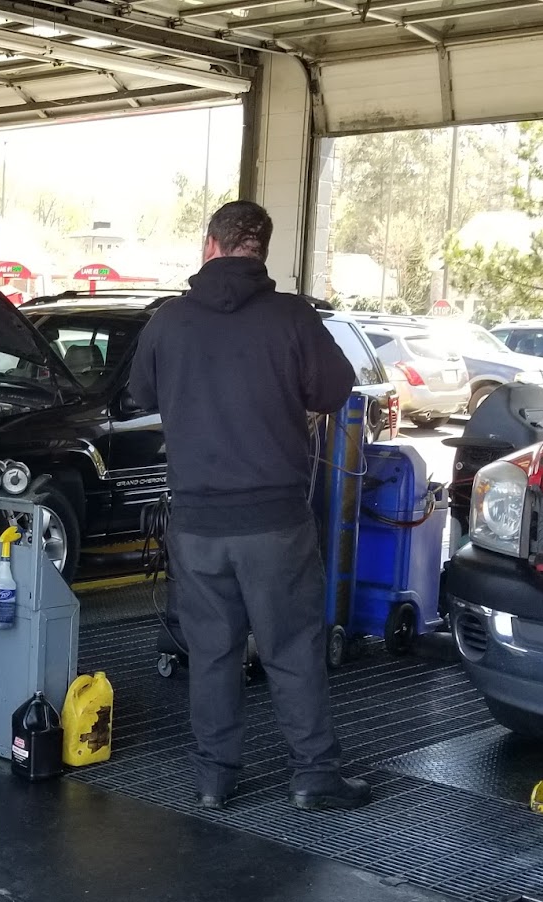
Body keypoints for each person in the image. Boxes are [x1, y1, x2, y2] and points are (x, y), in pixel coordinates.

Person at [127, 200, 368, 812]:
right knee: (292, 649)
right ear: (261, 249)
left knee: (212, 654)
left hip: (197, 524)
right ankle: (314, 778)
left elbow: (140, 393)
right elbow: (336, 389)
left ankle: (214, 780)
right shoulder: (292, 317)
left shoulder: (169, 321)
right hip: (275, 524)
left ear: (210, 244)